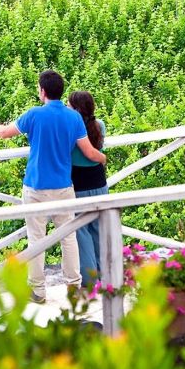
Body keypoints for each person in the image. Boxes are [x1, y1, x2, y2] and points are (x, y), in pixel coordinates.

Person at [0, 70, 106, 304]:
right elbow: (88, 151)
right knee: (68, 237)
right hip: (64, 186)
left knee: (36, 239)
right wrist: (102, 158)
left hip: (36, 187)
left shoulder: (34, 115)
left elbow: (5, 133)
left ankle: (38, 291)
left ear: (42, 91)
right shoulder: (74, 118)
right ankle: (73, 287)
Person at [67, 90, 108, 289]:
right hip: (100, 183)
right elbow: (98, 152)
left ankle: (90, 281)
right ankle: (106, 275)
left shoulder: (71, 128)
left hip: (78, 184)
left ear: (75, 109)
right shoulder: (99, 125)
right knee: (99, 230)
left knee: (81, 233)